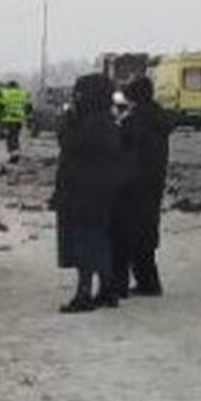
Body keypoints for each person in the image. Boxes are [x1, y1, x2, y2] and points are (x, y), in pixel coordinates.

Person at [53, 73, 126, 313]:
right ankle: (107, 289)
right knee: (97, 240)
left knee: (85, 242)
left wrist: (65, 123)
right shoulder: (105, 120)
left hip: (85, 191)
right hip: (96, 190)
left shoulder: (94, 122)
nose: (76, 98)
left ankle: (84, 293)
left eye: (79, 93)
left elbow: (72, 145)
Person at [111, 74, 171, 298]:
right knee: (146, 232)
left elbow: (122, 149)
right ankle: (148, 281)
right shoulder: (158, 117)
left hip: (132, 184)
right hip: (153, 181)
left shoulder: (134, 121)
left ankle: (126, 283)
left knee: (127, 233)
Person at [0, 79, 29, 160]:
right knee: (15, 136)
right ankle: (16, 152)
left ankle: (14, 154)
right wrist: (25, 115)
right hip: (19, 119)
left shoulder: (5, 93)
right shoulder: (22, 93)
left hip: (9, 118)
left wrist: (0, 115)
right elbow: (28, 106)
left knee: (10, 136)